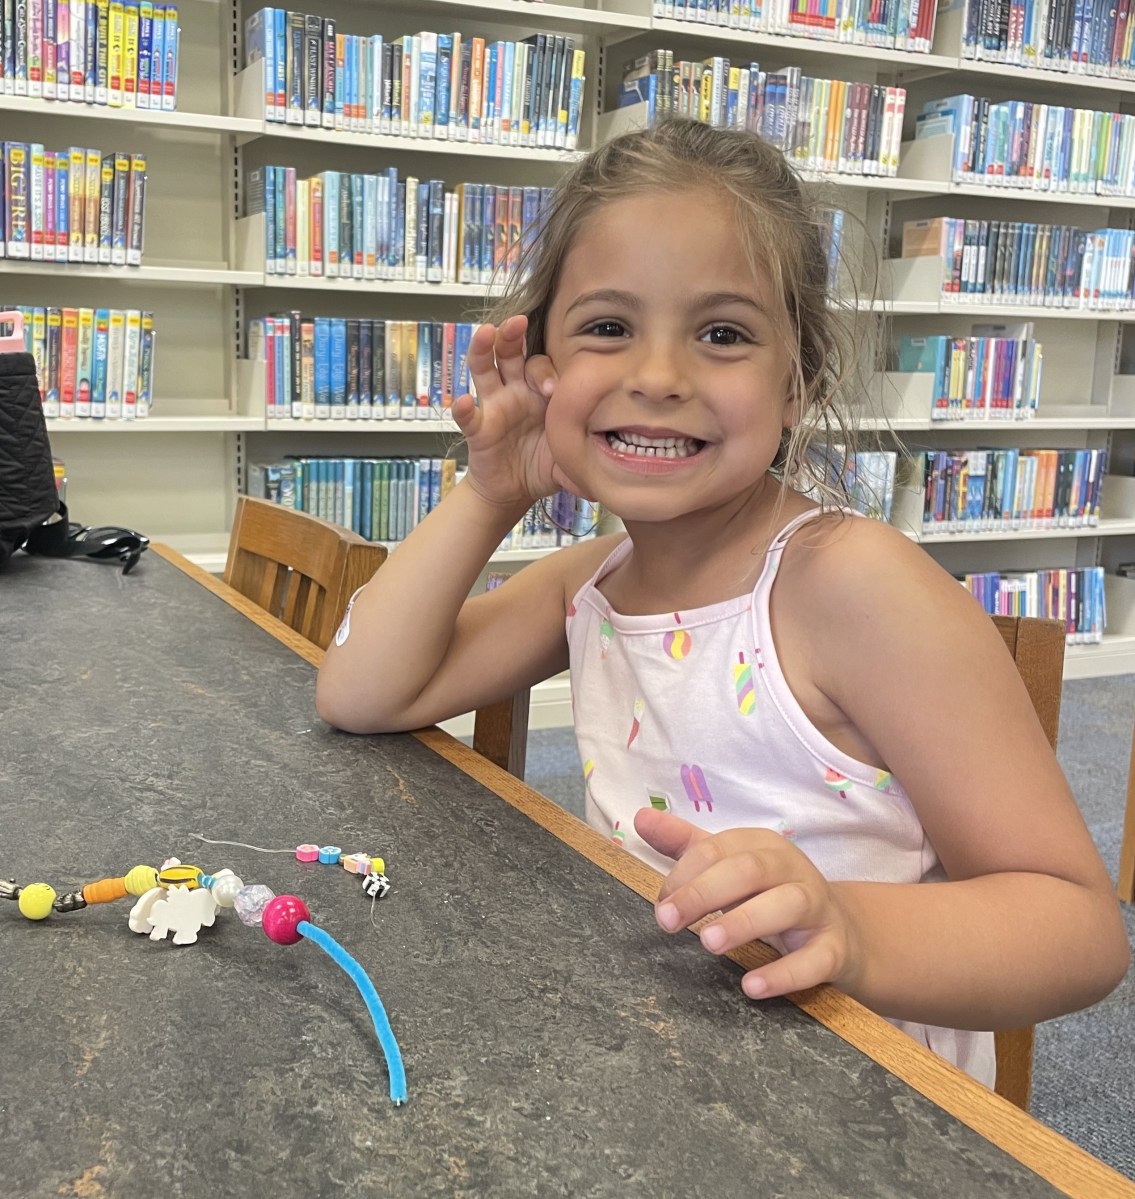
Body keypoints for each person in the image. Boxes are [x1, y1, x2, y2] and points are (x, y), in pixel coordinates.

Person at [316, 119, 1128, 1087]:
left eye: (723, 334)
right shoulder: (593, 578)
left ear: (799, 381)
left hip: (860, 1087)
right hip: (671, 1053)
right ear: (542, 370)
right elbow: (363, 694)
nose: (657, 376)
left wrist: (844, 921)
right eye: (607, 328)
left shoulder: (850, 585)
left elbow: (1077, 928)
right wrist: (491, 489)